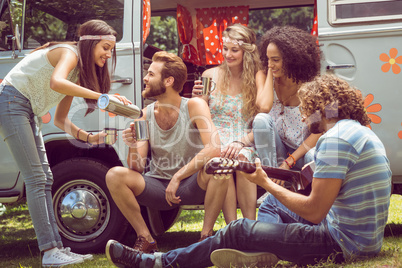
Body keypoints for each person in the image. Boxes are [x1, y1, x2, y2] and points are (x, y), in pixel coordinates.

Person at [105, 74, 392, 268]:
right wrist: (272, 188)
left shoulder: (335, 139)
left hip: (342, 243)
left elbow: (314, 211)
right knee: (272, 203)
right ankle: (260, 249)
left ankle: (157, 262)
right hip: (360, 237)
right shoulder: (357, 132)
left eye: (307, 109)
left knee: (240, 228)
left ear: (322, 108)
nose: (304, 117)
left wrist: (265, 182)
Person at [0, 20, 130, 267]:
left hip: (25, 109)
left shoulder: (78, 73)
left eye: (111, 49)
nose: (108, 54)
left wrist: (89, 137)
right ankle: (49, 251)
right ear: (90, 44)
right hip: (11, 103)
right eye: (105, 47)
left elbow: (60, 119)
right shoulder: (69, 53)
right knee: (36, 178)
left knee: (46, 177)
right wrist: (102, 96)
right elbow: (55, 83)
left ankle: (58, 248)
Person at [105, 51, 227, 253]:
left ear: (168, 80)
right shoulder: (143, 116)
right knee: (114, 175)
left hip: (191, 184)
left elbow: (214, 148)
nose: (145, 78)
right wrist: (132, 143)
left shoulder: (195, 105)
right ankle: (145, 239)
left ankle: (205, 237)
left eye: (151, 74)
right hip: (159, 187)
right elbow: (137, 166)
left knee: (220, 168)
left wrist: (178, 177)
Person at [192, 24, 271, 222]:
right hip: (216, 138)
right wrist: (198, 99)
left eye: (234, 50)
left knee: (243, 159)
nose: (228, 54)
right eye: (225, 49)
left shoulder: (257, 77)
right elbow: (200, 118)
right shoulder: (210, 75)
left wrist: (242, 142)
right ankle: (232, 227)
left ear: (246, 51)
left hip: (245, 137)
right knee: (222, 161)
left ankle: (250, 225)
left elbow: (263, 120)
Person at [253, 25, 322, 173]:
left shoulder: (311, 87)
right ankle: (271, 178)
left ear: (292, 60)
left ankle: (314, 194)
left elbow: (318, 132)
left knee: (313, 157)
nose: (270, 65)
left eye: (275, 60)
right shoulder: (263, 76)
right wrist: (271, 73)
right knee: (260, 119)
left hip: (301, 153)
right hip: (276, 151)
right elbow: (264, 107)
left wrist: (289, 161)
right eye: (268, 59)